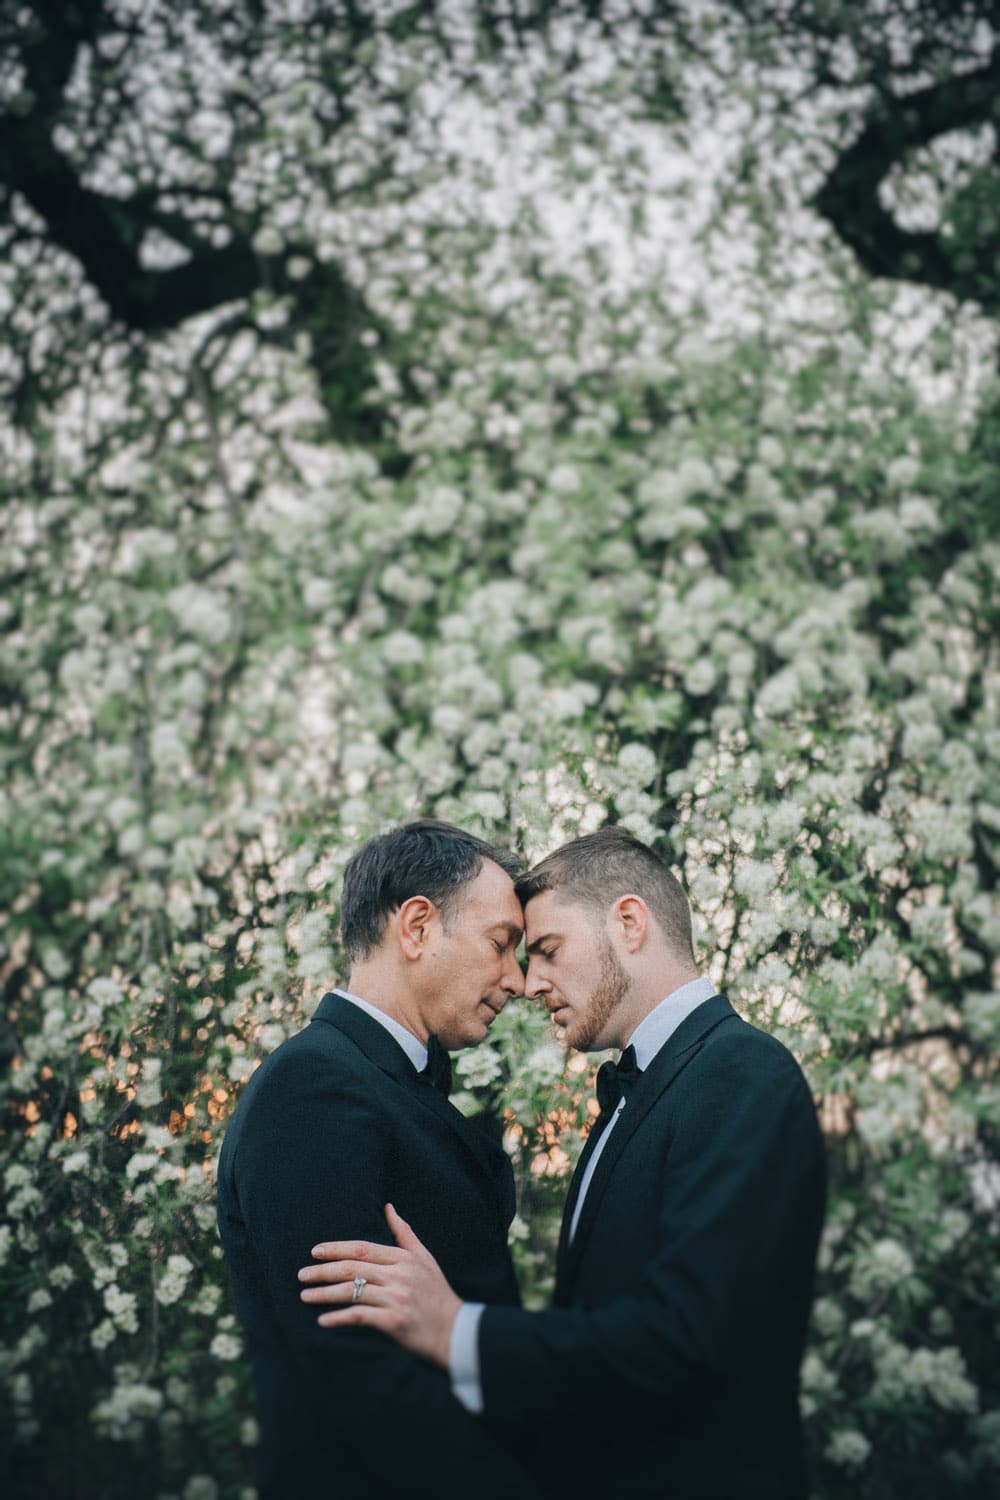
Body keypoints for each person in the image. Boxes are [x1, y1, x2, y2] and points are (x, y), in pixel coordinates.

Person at [298, 826, 827, 1500]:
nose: (528, 982)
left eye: (547, 949)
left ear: (629, 923)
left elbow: (686, 1340)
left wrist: (458, 1331)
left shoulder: (741, 1074)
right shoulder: (644, 1093)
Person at [217, 819, 548, 1500]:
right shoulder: (312, 1089)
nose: (517, 980)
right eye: (500, 944)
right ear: (418, 927)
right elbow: (357, 1370)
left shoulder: (383, 1081)